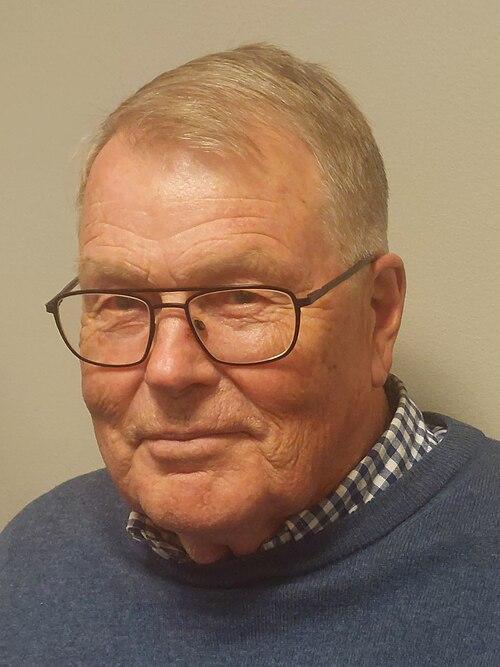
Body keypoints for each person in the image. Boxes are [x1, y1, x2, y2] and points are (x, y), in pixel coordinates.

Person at [1, 43, 498, 666]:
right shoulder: (31, 563)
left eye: (240, 297)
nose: (168, 369)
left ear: (377, 314)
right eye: (122, 302)